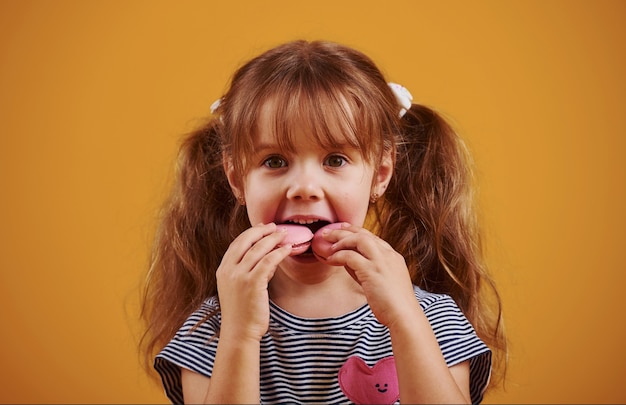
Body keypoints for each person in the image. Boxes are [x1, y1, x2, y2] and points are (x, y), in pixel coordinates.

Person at [140, 40, 507, 404]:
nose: (304, 188)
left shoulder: (431, 319)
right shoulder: (214, 329)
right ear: (237, 178)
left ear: (380, 173)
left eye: (334, 159)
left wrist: (404, 320)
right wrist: (240, 335)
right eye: (274, 161)